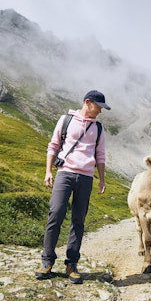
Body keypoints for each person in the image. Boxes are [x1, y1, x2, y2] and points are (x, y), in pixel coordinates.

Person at [35, 90, 111, 284]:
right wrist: (48, 171)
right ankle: (47, 261)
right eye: (99, 107)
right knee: (56, 213)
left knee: (78, 220)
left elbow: (100, 155)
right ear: (88, 102)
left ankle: (72, 264)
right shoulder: (66, 120)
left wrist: (101, 180)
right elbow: (53, 145)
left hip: (86, 178)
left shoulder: (99, 129)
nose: (101, 112)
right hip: (65, 174)